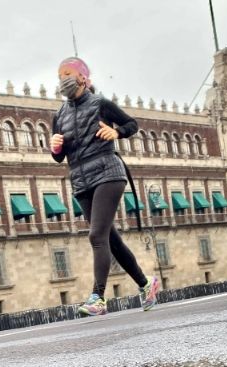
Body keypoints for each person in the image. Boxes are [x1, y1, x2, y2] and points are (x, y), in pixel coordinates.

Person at [50, 57, 160, 317]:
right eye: (59, 75)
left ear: (82, 77)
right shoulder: (59, 115)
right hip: (81, 179)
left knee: (96, 236)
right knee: (111, 239)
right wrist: (55, 147)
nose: (63, 79)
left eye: (68, 73)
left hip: (108, 172)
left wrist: (117, 133)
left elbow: (132, 124)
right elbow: (58, 157)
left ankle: (98, 297)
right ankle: (147, 285)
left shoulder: (100, 104)